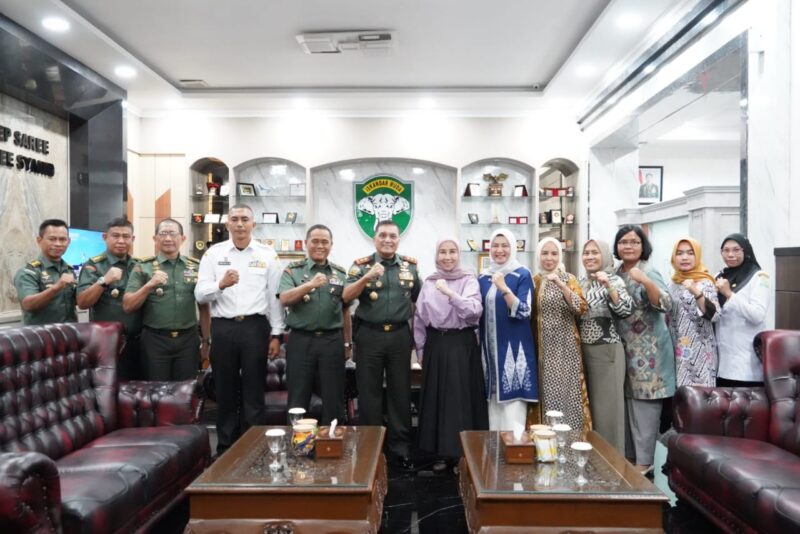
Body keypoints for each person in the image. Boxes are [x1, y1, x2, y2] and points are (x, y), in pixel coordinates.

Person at [195, 205, 285, 455]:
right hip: (223, 327)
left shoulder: (267, 254)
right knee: (224, 389)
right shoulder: (214, 254)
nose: (240, 224)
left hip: (255, 327)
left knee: (254, 390)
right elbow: (200, 293)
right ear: (227, 225)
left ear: (253, 224)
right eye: (234, 219)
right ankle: (225, 447)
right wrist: (220, 285)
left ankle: (255, 446)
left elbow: (275, 298)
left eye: (245, 219)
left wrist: (276, 334)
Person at [343, 219, 421, 471]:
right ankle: (371, 448)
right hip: (369, 335)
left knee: (400, 394)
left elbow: (421, 301)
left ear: (399, 239)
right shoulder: (360, 265)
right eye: (383, 235)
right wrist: (366, 277)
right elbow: (346, 296)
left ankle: (401, 449)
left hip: (399, 336)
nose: (388, 240)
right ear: (374, 239)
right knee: (369, 394)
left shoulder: (410, 267)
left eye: (393, 236)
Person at [413, 237, 487, 472]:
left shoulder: (468, 280)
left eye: (452, 251)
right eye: (442, 252)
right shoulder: (429, 282)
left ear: (459, 254)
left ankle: (461, 454)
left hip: (461, 344)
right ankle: (441, 453)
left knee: (460, 401)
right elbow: (419, 320)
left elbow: (474, 312)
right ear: (436, 256)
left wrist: (449, 293)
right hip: (436, 345)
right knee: (437, 399)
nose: (447, 256)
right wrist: (421, 350)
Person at [613, 225, 675, 475]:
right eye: (623, 242)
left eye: (634, 242)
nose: (628, 246)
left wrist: (646, 281)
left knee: (645, 410)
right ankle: (631, 459)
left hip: (649, 353)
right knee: (628, 409)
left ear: (643, 246)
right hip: (625, 350)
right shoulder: (616, 272)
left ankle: (644, 463)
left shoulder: (649, 270)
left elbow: (665, 304)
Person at [278, 224, 350, 425]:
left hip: (332, 341)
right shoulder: (292, 271)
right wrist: (310, 285)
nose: (320, 246)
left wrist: (347, 344)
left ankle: (332, 446)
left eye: (325, 242)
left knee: (333, 397)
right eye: (315, 241)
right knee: (298, 396)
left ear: (331, 245)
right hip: (301, 340)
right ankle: (297, 446)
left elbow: (345, 311)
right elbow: (284, 298)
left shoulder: (339, 274)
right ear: (306, 244)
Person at [124, 218, 210, 381]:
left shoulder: (195, 267)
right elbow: (128, 305)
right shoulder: (143, 267)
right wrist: (149, 286)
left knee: (185, 390)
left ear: (183, 239)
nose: (168, 238)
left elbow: (204, 308)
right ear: (155, 239)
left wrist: (206, 341)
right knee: (156, 392)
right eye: (163, 234)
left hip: (188, 340)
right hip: (155, 340)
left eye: (173, 234)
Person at [478, 229, 537, 431]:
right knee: (492, 413)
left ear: (512, 248)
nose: (499, 250)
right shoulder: (483, 278)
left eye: (505, 246)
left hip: (514, 352)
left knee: (513, 415)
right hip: (490, 356)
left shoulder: (522, 274)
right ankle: (495, 460)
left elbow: (524, 311)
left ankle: (516, 458)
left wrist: (504, 288)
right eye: (495, 245)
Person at [578, 239, 633, 453]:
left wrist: (608, 286)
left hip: (606, 351)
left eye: (595, 252)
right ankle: (591, 460)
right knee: (589, 411)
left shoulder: (614, 280)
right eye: (586, 252)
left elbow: (625, 309)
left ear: (605, 255)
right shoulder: (581, 281)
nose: (590, 256)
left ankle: (612, 465)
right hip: (582, 351)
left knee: (608, 412)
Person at [533, 237, 590, 433]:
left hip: (566, 348)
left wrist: (561, 284)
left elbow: (581, 307)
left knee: (569, 394)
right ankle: (547, 441)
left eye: (554, 253)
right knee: (547, 395)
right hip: (543, 350)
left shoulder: (569, 278)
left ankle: (572, 439)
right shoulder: (535, 281)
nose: (549, 258)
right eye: (545, 253)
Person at [77, 217, 143, 380]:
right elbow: (83, 302)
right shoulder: (94, 266)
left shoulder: (139, 265)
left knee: (137, 387)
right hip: (106, 342)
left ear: (132, 239)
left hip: (138, 341)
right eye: (115, 235)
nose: (121, 240)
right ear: (105, 237)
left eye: (126, 236)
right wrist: (104, 281)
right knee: (108, 390)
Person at [714, 234, 770, 387]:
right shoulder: (719, 276)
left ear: (745, 251)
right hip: (722, 363)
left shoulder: (758, 277)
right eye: (726, 250)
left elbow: (757, 315)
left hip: (746, 365)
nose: (730, 255)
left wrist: (729, 295)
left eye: (736, 250)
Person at [667, 238, 719, 387]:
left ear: (697, 256)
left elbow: (715, 315)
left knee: (699, 404)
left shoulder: (705, 282)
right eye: (679, 253)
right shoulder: (671, 283)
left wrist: (695, 291)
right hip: (675, 350)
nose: (684, 257)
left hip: (700, 353)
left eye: (690, 253)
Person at [14, 219, 77, 325]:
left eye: (62, 239)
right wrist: (57, 287)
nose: (57, 244)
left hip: (68, 334)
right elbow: (28, 305)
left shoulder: (69, 270)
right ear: (39, 240)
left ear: (68, 241)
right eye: (52, 239)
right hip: (39, 337)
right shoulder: (29, 272)